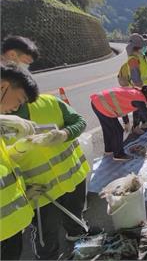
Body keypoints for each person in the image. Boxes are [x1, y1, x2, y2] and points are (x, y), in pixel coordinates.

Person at [7, 88, 92, 260]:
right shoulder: (3, 125)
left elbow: (79, 121)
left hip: (72, 178)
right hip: (40, 194)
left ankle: (77, 238)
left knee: (75, 217)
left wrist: (64, 134)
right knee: (46, 235)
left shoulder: (48, 102)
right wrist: (23, 190)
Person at [0, 64, 39, 260]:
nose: (16, 109)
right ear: (3, 87)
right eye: (18, 100)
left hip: (10, 227)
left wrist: (18, 148)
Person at [90, 86, 147, 161]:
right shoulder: (140, 100)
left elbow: (122, 104)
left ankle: (109, 150)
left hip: (98, 101)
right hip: (103, 104)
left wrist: (126, 122)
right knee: (118, 131)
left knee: (107, 128)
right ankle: (118, 155)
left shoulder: (137, 91)